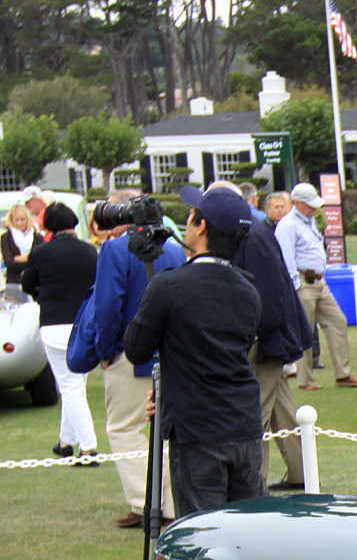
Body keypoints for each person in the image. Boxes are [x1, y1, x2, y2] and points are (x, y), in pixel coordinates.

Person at [122, 186, 265, 518]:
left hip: (198, 429)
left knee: (204, 535)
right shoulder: (248, 289)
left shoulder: (169, 285)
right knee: (249, 532)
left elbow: (136, 349)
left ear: (201, 227)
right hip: (242, 423)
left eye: (191, 216)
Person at [202, 182, 313, 490]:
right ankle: (302, 472)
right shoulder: (252, 228)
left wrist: (255, 335)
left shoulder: (250, 233)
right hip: (271, 335)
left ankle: (254, 484)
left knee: (256, 413)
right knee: (282, 410)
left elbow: (268, 293)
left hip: (266, 337)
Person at [88, 191, 186, 526]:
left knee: (124, 427)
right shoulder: (173, 246)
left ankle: (147, 502)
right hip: (173, 351)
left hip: (129, 350)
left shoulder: (115, 250)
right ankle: (169, 502)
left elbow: (106, 306)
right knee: (167, 427)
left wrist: (104, 351)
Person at [21, 202, 98, 462]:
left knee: (70, 387)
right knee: (75, 385)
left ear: (48, 226)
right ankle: (66, 441)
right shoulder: (90, 251)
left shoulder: (41, 252)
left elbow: (27, 284)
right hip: (84, 323)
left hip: (55, 323)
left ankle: (87, 447)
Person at [277, 183, 357, 389]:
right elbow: (285, 257)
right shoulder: (288, 225)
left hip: (319, 281)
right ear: (297, 203)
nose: (314, 208)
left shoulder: (309, 221)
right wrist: (295, 285)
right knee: (304, 331)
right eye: (309, 204)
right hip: (302, 282)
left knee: (338, 321)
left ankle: (343, 374)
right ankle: (305, 379)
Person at [3, 203, 37, 284]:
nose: (19, 223)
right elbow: (9, 263)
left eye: (22, 220)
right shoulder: (6, 237)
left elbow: (40, 262)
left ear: (27, 219)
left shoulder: (37, 236)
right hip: (14, 283)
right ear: (11, 220)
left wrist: (24, 259)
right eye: (16, 220)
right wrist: (30, 260)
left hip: (34, 282)